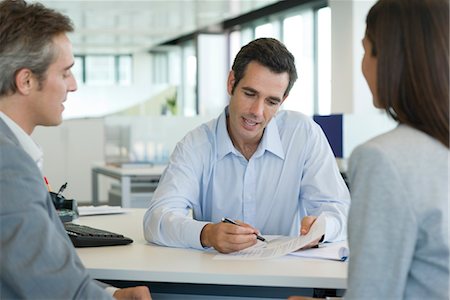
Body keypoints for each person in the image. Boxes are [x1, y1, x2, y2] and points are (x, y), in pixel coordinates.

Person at [289, 0, 449, 299]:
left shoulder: (383, 158)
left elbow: (370, 294)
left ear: (391, 58)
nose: (362, 64)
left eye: (366, 50)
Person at [0, 1, 151, 298]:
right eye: (65, 72)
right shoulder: (9, 165)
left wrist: (110, 295)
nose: (74, 85)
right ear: (27, 80)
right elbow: (52, 289)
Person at [143, 37, 350, 254]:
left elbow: (340, 210)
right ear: (231, 83)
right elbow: (157, 219)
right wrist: (207, 233)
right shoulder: (195, 145)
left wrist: (322, 228)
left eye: (272, 102)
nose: (257, 111)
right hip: (214, 278)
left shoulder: (303, 134)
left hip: (286, 276)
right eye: (250, 94)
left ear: (283, 100)